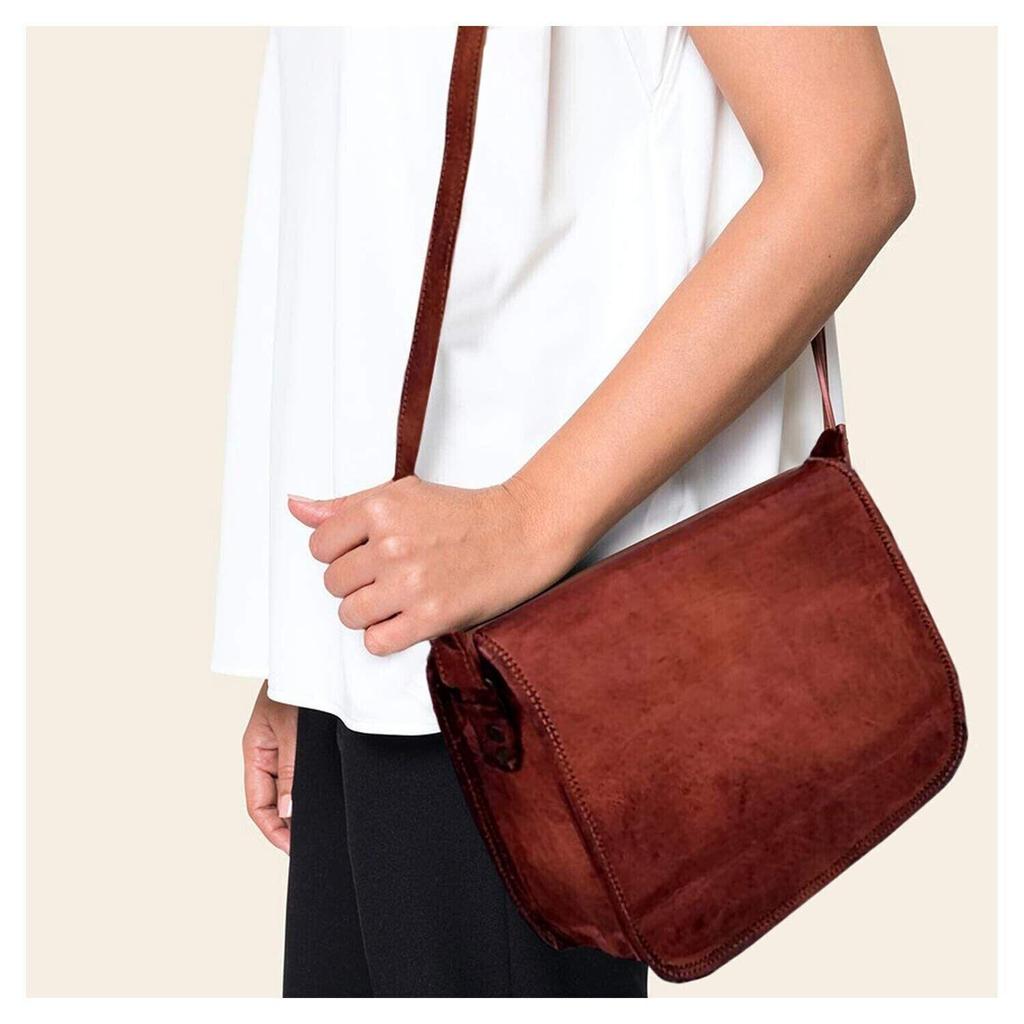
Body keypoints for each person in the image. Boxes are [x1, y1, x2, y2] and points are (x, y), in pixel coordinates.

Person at [213, 26, 915, 998]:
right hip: (384, 637)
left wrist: (526, 519)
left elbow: (851, 166)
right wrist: (305, 654)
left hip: (530, 666)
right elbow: (358, 207)